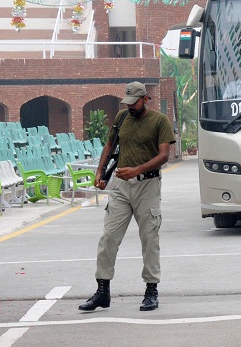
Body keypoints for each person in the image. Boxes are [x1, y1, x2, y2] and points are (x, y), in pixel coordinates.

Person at [79, 81, 176, 312]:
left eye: (135, 102)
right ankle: (103, 291)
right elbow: (110, 145)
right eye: (128, 102)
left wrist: (137, 170)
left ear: (145, 99)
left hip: (148, 186)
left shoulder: (159, 121)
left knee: (149, 238)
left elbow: (164, 156)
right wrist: (100, 172)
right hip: (121, 187)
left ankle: (151, 291)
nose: (130, 106)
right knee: (109, 237)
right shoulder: (122, 117)